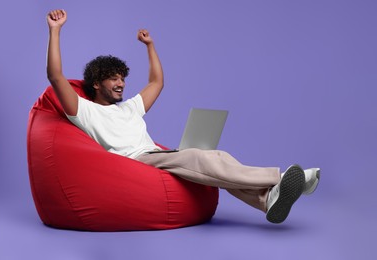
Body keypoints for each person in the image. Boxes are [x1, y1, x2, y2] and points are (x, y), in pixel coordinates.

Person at [46, 9, 320, 224]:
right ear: (96, 83)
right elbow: (55, 76)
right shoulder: (86, 110)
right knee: (203, 158)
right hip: (136, 164)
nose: (121, 84)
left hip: (157, 156)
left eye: (122, 79)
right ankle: (279, 178)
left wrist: (149, 46)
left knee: (214, 161)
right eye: (113, 79)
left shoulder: (128, 107)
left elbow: (157, 83)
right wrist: (55, 31)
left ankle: (268, 201)